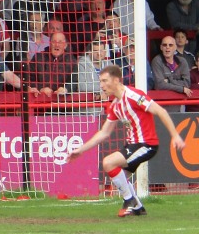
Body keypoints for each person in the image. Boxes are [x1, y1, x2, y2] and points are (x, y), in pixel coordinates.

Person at [67, 65, 186, 217]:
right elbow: (104, 132)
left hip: (146, 144)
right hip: (133, 145)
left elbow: (160, 111)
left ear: (116, 80)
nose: (101, 85)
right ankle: (137, 206)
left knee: (108, 162)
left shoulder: (133, 96)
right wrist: (81, 150)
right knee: (119, 176)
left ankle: (128, 200)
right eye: (100, 81)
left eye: (105, 81)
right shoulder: (115, 105)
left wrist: (175, 135)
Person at [151, 35, 193, 112]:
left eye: (170, 45)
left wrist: (169, 80)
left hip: (179, 105)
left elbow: (187, 83)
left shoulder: (182, 61)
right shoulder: (157, 61)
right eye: (164, 45)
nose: (167, 47)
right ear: (161, 47)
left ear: (175, 48)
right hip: (161, 106)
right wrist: (181, 89)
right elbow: (159, 85)